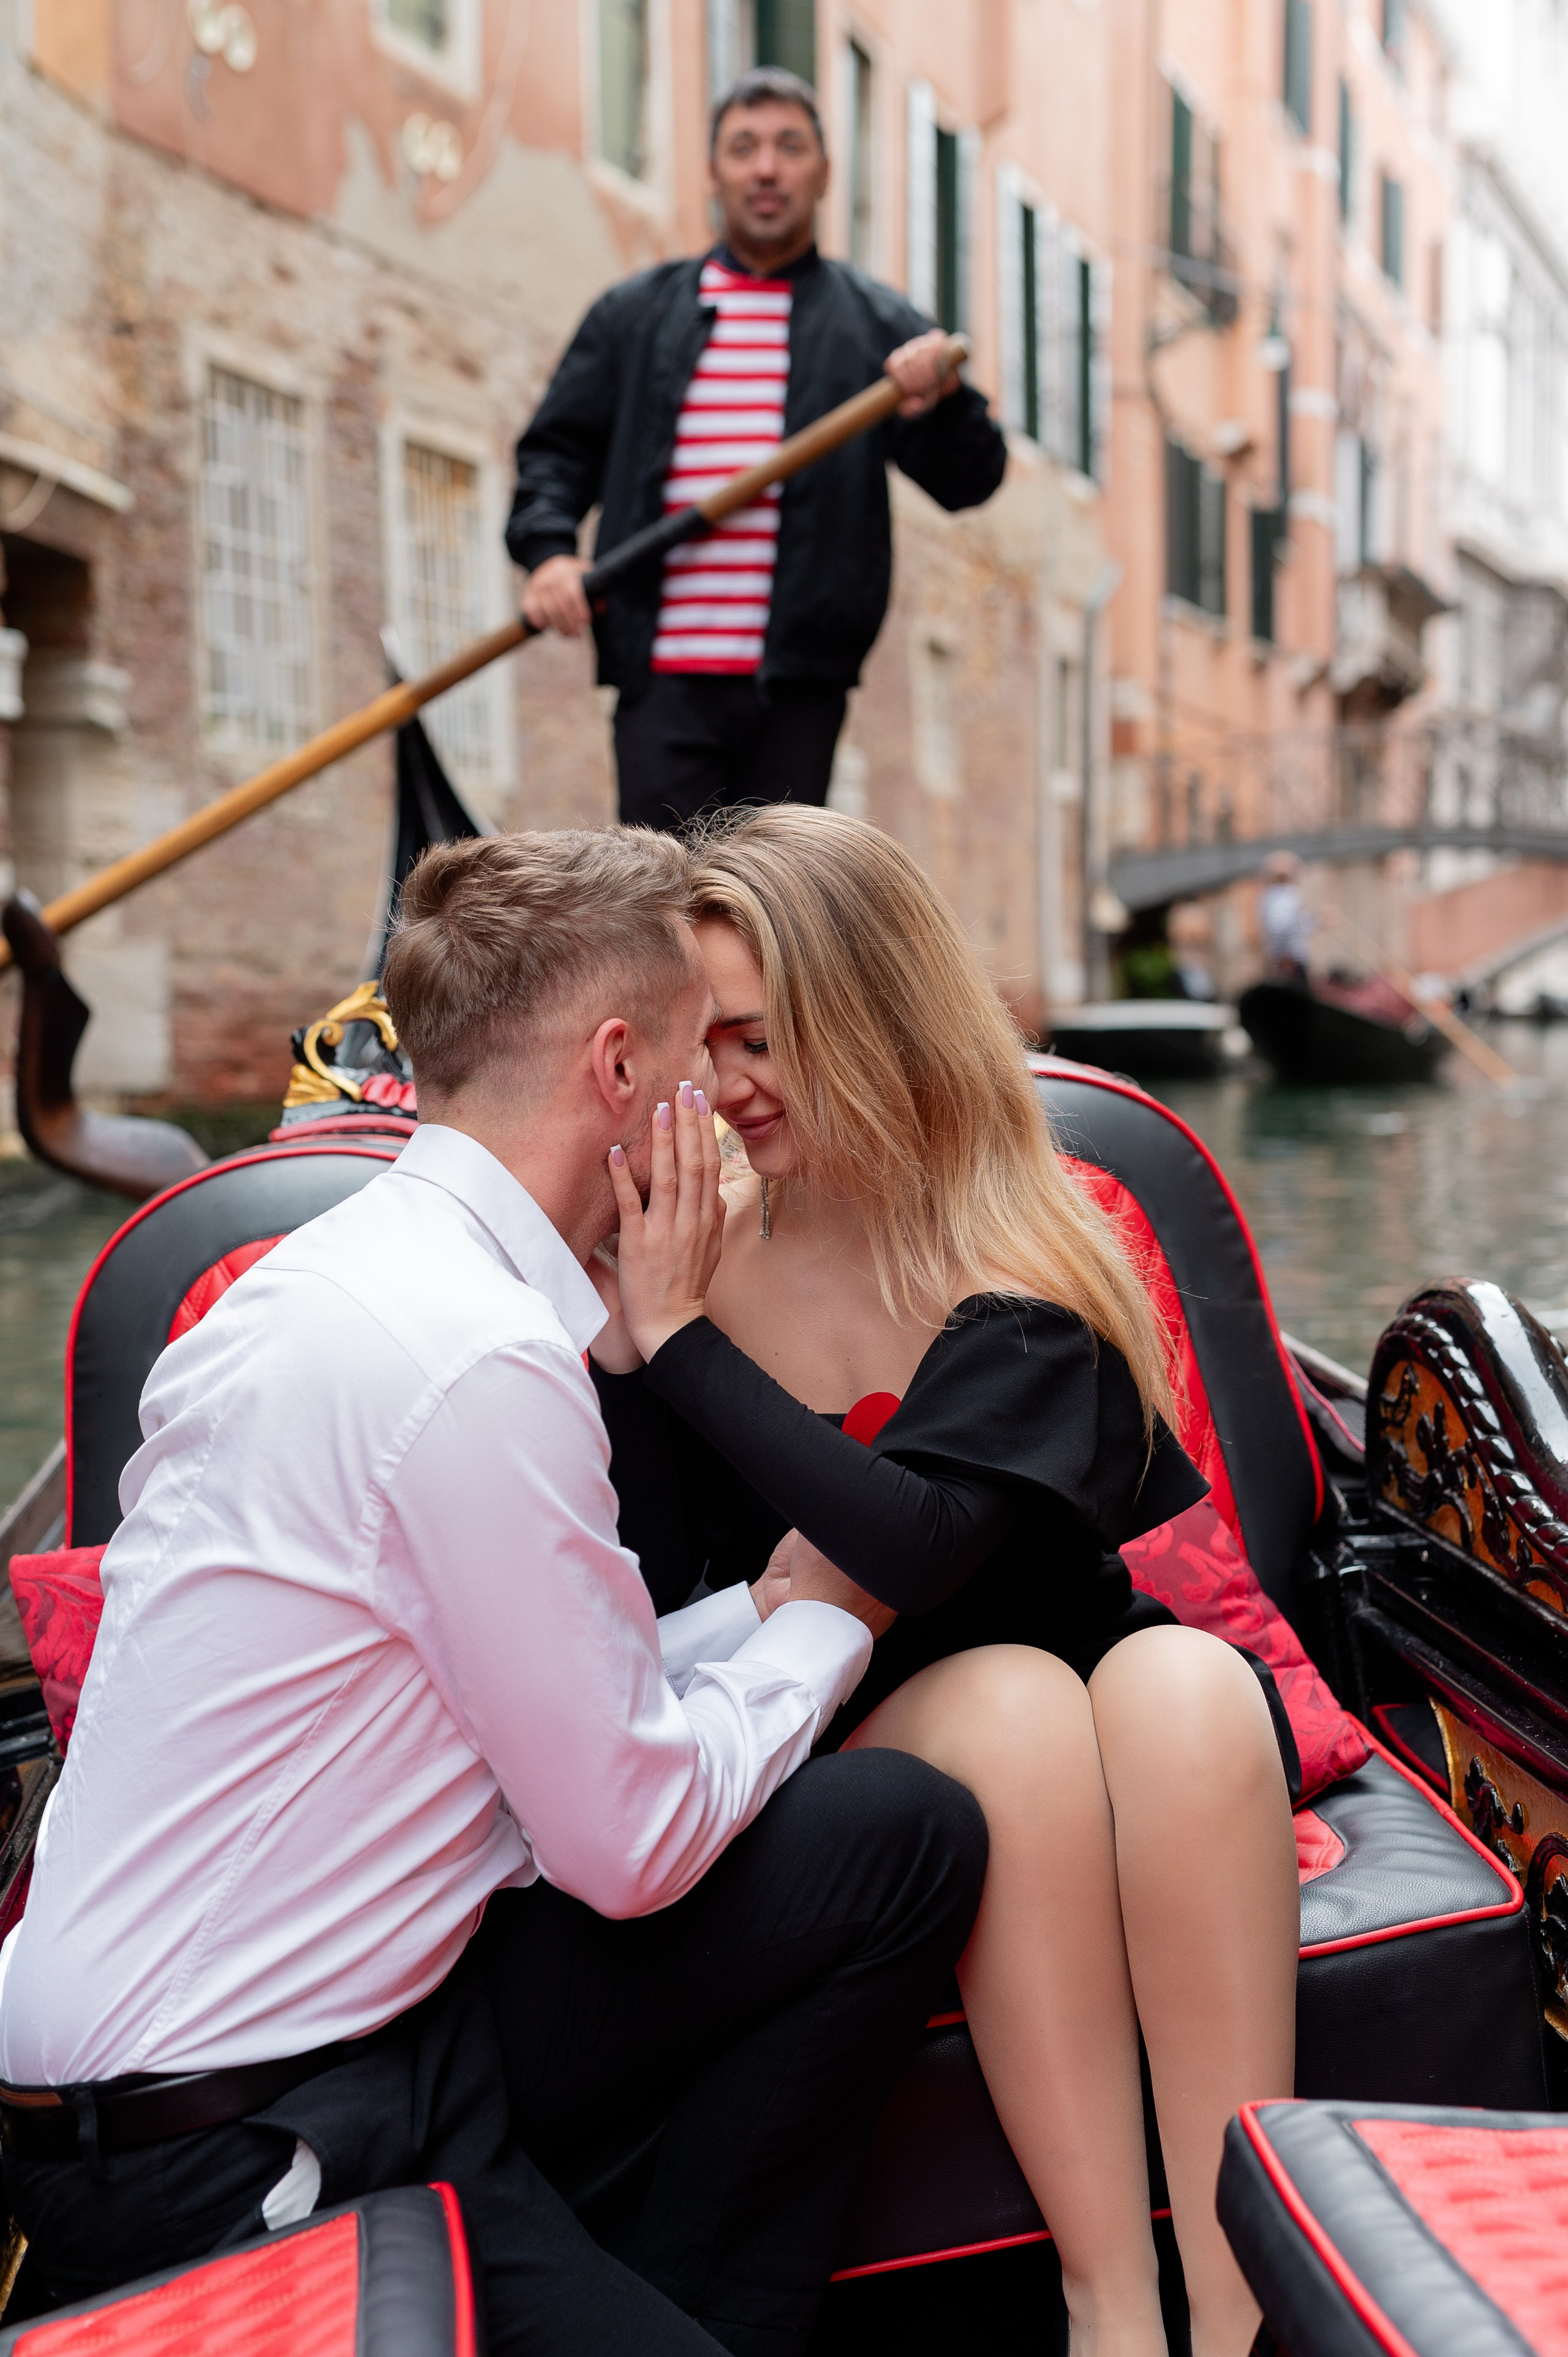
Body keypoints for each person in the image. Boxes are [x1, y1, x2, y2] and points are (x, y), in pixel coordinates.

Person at [0, 830, 989, 2357]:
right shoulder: (472, 1356)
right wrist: (825, 1624)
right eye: (693, 1056)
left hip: (378, 2028)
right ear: (615, 1067)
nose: (719, 1104)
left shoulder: (339, 1273)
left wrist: (756, 1612)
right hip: (226, 2140)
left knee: (899, 1835)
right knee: (823, 1807)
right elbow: (631, 1842)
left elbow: (521, 1679)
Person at [589, 807, 1300, 2357]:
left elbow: (908, 1543)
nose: (719, 1086)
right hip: (855, 1742)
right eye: (695, 1042)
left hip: (1085, 1697)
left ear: (875, 1020)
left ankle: (1244, 2312)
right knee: (1004, 1701)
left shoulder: (1019, 1258)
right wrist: (652, 1338)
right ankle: (1106, 2304)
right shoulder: (661, 1255)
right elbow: (632, 1596)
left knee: (1176, 1682)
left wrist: (686, 1344)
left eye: (761, 1037)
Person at [507, 66, 1007, 833]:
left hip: (799, 684)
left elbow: (969, 478)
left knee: (776, 919)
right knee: (660, 907)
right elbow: (555, 454)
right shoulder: (633, 316)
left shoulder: (877, 327)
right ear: (714, 173)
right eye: (744, 148)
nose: (766, 168)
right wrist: (548, 554)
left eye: (788, 147)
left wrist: (942, 401)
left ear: (823, 172)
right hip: (661, 678)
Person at [1259, 853, 1314, 982]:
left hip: (1284, 959)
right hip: (1290, 961)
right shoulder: (1285, 896)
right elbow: (1282, 927)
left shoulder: (1269, 896)